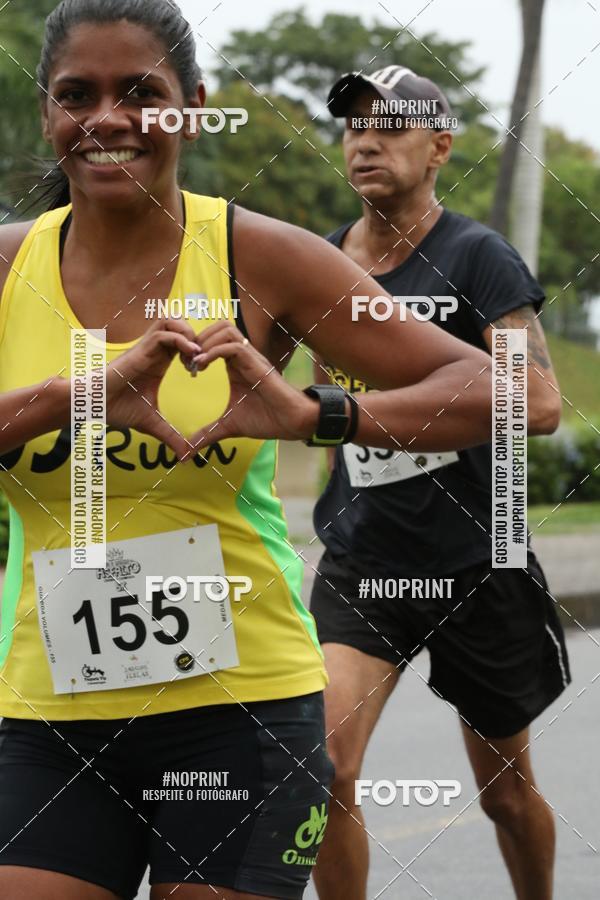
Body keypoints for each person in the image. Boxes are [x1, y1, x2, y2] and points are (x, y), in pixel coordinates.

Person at [0, 7, 493, 900]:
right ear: (48, 114)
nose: (108, 119)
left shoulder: (256, 255)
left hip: (242, 715)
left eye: (141, 94)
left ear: (191, 107)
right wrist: (84, 393)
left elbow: (485, 388)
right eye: (78, 95)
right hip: (48, 717)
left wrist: (314, 414)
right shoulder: (4, 269)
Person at [310, 66, 571, 900]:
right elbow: (321, 407)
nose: (367, 141)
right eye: (354, 127)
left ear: (440, 147)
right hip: (365, 563)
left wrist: (387, 413)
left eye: (391, 125)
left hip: (475, 560)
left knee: (504, 794)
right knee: (322, 767)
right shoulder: (322, 266)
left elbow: (538, 403)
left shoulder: (475, 256)